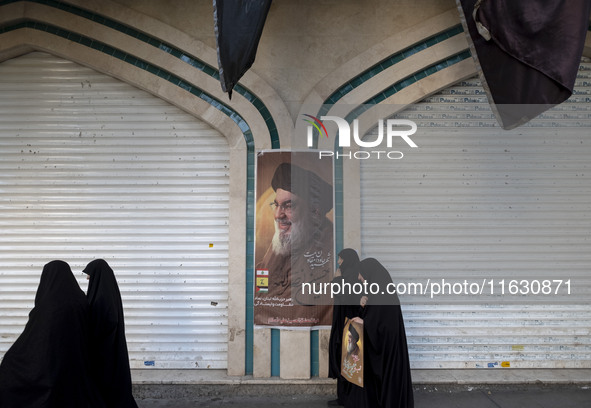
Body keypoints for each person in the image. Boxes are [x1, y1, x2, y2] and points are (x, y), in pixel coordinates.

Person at [0, 260, 105, 407]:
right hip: (77, 365)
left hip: (48, 365)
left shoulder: (48, 303)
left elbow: (34, 336)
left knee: (9, 365)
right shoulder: (80, 299)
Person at [255, 162, 334, 325]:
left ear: (315, 212)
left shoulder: (330, 251)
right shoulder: (284, 242)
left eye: (289, 206)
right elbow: (259, 291)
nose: (278, 215)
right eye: (276, 205)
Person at [347, 258, 414, 408]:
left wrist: (364, 322)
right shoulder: (380, 290)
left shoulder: (383, 293)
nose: (362, 280)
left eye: (362, 277)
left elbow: (384, 320)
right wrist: (364, 304)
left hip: (387, 349)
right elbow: (376, 314)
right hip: (385, 346)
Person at [84, 259, 138, 408]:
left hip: (105, 350)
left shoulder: (102, 297)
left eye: (89, 275)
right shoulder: (106, 292)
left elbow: (108, 320)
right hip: (108, 348)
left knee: (106, 383)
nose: (88, 278)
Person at [327, 248, 361, 406]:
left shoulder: (355, 277)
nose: (339, 262)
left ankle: (350, 398)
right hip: (342, 324)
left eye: (341, 259)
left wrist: (337, 280)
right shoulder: (346, 276)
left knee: (351, 360)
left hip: (351, 325)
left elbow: (347, 295)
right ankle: (342, 397)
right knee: (342, 359)